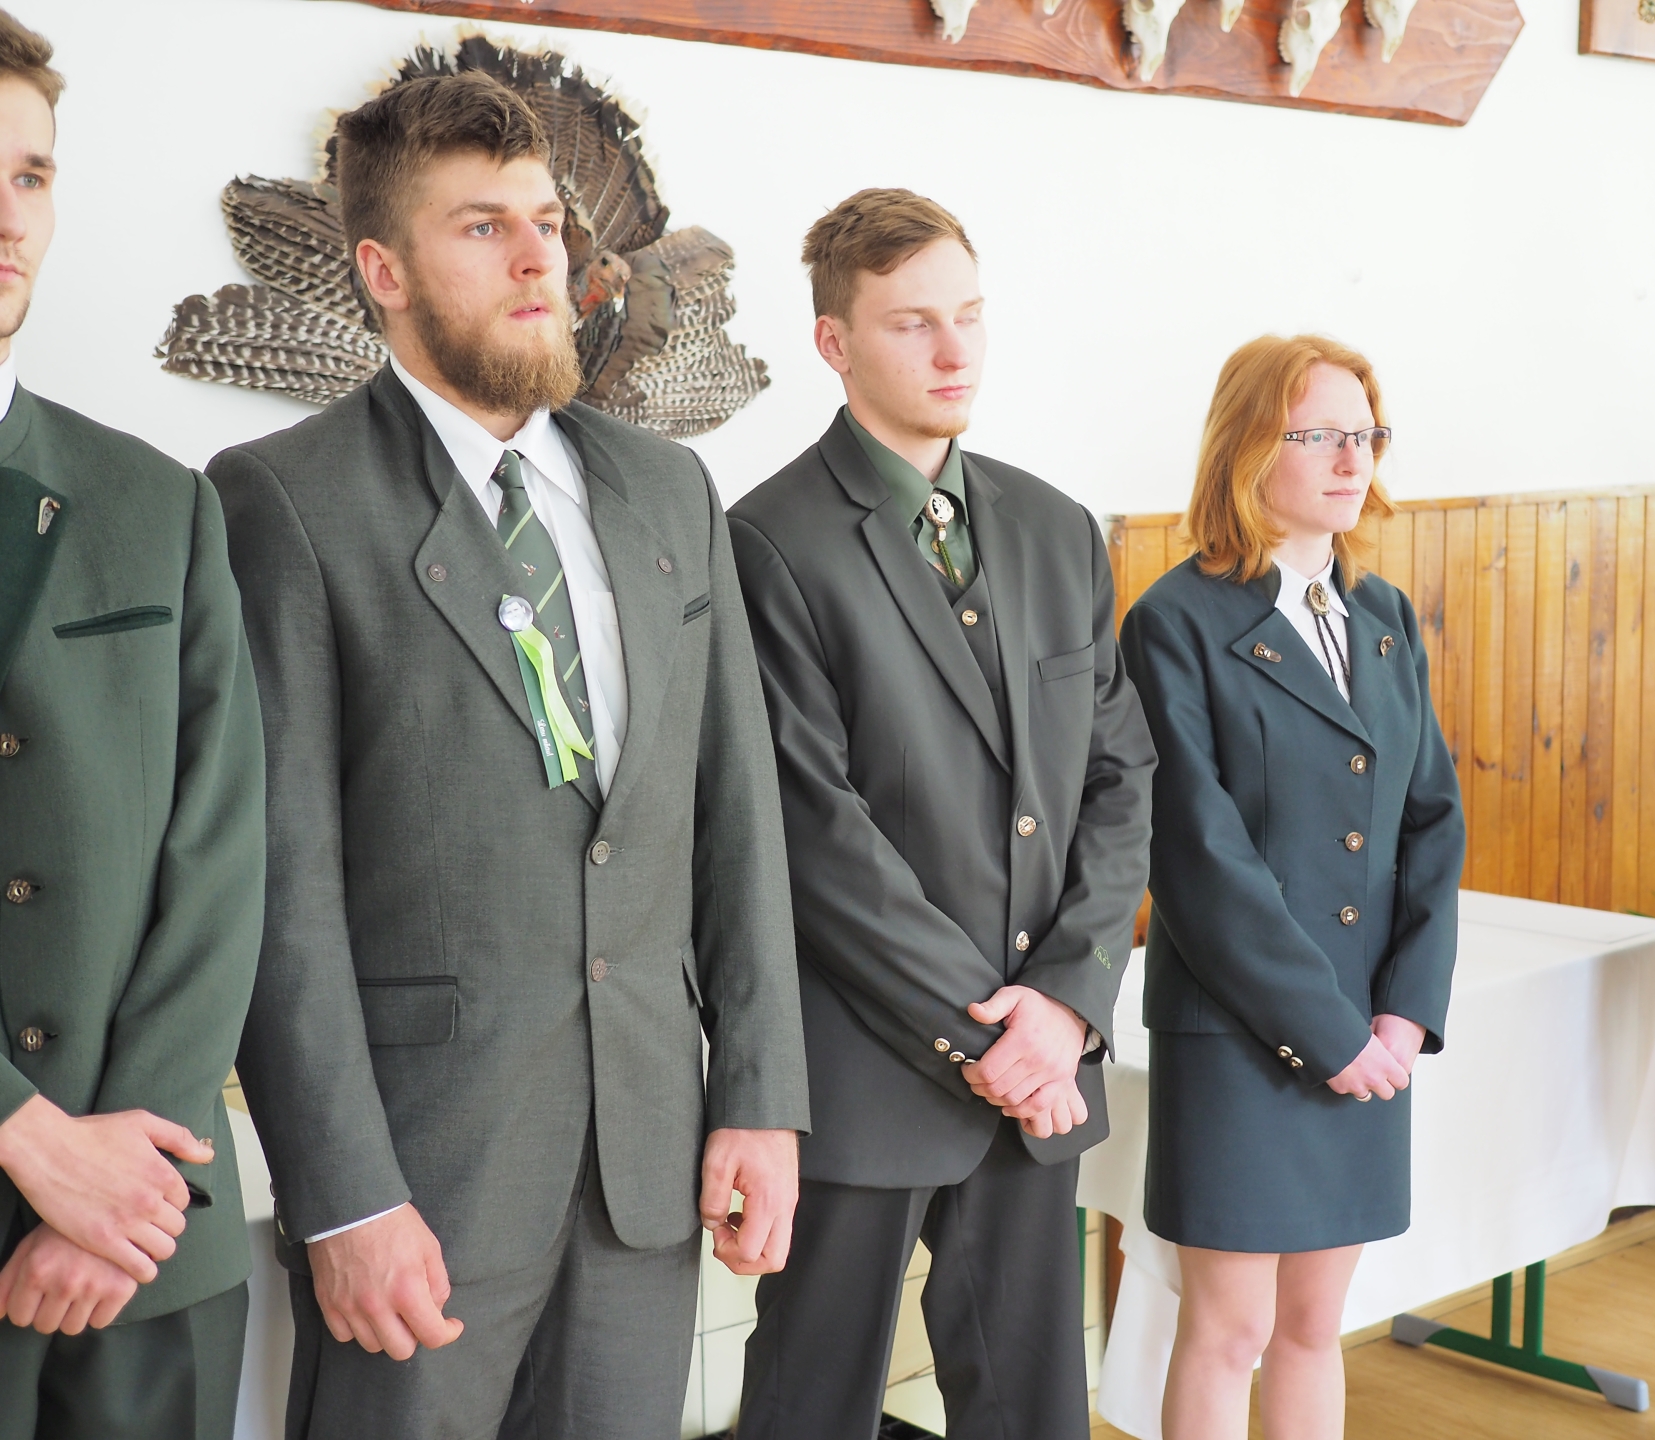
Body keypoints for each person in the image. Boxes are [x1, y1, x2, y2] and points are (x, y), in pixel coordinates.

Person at [208, 71, 807, 1440]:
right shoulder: (282, 501)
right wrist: (344, 1198)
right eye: (483, 227)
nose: (541, 256)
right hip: (423, 1186)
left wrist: (760, 1099)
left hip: (646, 1165)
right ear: (385, 271)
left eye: (546, 221)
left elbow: (737, 819)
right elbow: (279, 890)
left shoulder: (670, 490)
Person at [728, 188, 1154, 1440]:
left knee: (1034, 1416)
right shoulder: (766, 542)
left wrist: (1064, 1005)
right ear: (834, 342)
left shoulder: (1058, 529)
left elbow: (1120, 781)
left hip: (1042, 1070)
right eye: (913, 323)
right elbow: (814, 832)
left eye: (969, 315)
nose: (954, 349)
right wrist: (990, 1039)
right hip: (864, 1079)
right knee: (809, 1412)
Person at [1118, 334, 1464, 1440]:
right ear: (1249, 446)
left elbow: (1432, 822)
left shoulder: (1385, 616)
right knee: (1231, 1331)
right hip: (1241, 1031)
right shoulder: (1175, 621)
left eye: (1366, 434)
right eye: (1319, 435)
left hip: (1371, 1028)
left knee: (1317, 1326)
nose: (1352, 459)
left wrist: (1406, 1010)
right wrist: (1330, 1032)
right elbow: (1196, 856)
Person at [0, 11, 265, 1438]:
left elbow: (221, 853)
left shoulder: (161, 504)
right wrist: (26, 1137)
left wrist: (130, 1181)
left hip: (145, 1255)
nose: (9, 215)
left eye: (32, 174)